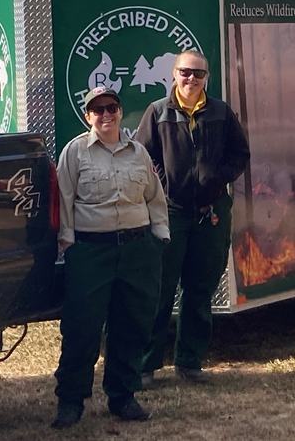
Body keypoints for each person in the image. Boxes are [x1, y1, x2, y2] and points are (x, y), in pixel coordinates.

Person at [51, 86, 170, 430]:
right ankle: (71, 401)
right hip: (91, 251)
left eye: (112, 108)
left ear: (120, 112)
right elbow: (65, 200)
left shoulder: (138, 153)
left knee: (132, 325)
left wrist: (159, 235)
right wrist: (68, 243)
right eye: (98, 110)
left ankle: (123, 396)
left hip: (137, 250)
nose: (106, 115)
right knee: (82, 329)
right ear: (88, 115)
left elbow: (154, 196)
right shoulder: (75, 153)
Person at [136, 50, 250, 386]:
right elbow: (143, 157)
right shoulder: (157, 113)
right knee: (159, 288)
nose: (191, 79)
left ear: (207, 79)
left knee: (200, 288)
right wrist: (164, 184)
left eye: (198, 74)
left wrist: (218, 178)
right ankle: (146, 365)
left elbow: (240, 154)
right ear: (173, 74)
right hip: (169, 211)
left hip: (212, 211)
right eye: (185, 72)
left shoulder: (220, 112)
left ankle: (190, 362)